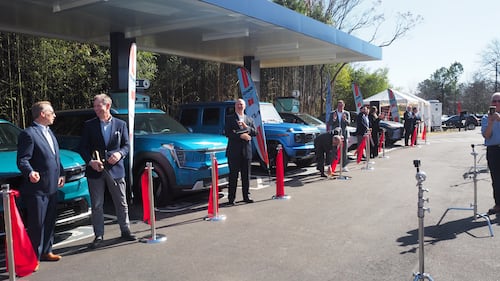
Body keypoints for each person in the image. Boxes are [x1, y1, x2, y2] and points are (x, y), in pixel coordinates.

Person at [79, 94, 136, 249]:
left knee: (121, 202)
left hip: (116, 170)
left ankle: (125, 230)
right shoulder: (89, 125)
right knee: (97, 205)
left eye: (99, 106)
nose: (96, 109)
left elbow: (126, 145)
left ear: (108, 106)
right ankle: (99, 235)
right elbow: (82, 147)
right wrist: (90, 162)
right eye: (95, 106)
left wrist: (119, 154)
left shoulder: (120, 124)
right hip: (95, 170)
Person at [17, 101, 64, 267]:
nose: (54, 115)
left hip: (52, 187)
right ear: (42, 114)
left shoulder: (49, 132)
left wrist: (62, 173)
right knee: (37, 224)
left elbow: (55, 157)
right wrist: (30, 172)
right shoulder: (29, 134)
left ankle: (46, 251)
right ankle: (33, 258)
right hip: (37, 189)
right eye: (51, 112)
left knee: (50, 221)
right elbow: (23, 159)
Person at [224, 98, 257, 205]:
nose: (240, 106)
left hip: (246, 152)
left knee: (246, 176)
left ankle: (246, 196)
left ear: (245, 106)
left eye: (241, 104)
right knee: (233, 176)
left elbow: (255, 132)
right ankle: (231, 198)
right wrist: (241, 136)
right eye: (238, 104)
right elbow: (228, 133)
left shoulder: (249, 119)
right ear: (235, 106)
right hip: (234, 152)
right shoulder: (230, 118)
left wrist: (246, 127)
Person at [482, 92, 500, 215]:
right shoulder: (485, 118)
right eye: (494, 101)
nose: (497, 104)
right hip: (493, 150)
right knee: (496, 179)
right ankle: (498, 204)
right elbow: (487, 136)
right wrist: (491, 122)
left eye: (499, 101)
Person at [328, 100, 351, 171]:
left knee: (344, 150)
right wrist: (334, 119)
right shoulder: (333, 113)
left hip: (344, 134)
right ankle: (332, 166)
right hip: (335, 135)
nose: (340, 107)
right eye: (339, 106)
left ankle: (344, 166)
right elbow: (330, 123)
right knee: (334, 151)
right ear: (337, 106)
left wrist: (345, 119)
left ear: (344, 106)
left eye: (341, 106)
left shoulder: (346, 113)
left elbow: (349, 123)